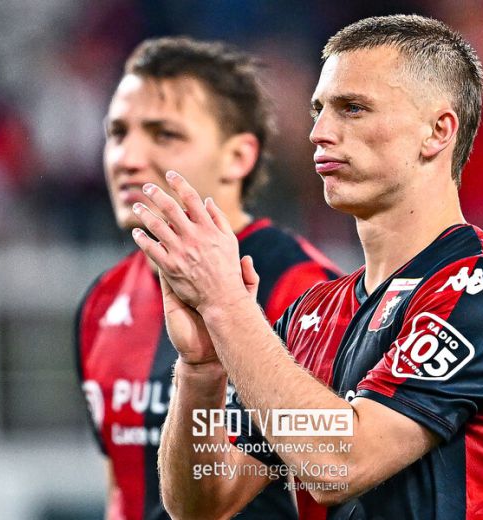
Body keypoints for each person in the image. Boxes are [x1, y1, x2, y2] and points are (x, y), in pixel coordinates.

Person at [132, 15, 483, 520]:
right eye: (318, 110)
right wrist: (202, 369)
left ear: (437, 132)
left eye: (352, 109)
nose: (319, 133)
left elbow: (341, 463)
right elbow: (202, 503)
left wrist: (227, 306)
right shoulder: (309, 315)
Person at [75, 37, 340, 520]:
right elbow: (123, 491)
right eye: (117, 132)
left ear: (238, 157)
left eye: (164, 135)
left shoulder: (307, 291)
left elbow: (333, 476)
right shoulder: (102, 300)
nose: (127, 158)